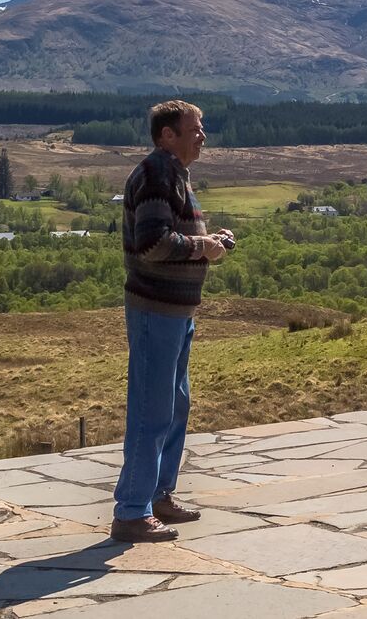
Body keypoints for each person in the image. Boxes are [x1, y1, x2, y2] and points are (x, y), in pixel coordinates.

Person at [110, 99, 234, 543]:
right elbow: (153, 243)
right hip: (155, 310)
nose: (203, 136)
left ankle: (159, 495)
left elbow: (170, 236)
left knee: (175, 406)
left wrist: (210, 239)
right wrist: (203, 247)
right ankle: (131, 511)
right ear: (168, 134)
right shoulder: (157, 174)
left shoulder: (173, 173)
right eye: (195, 128)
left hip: (176, 312)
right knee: (152, 409)